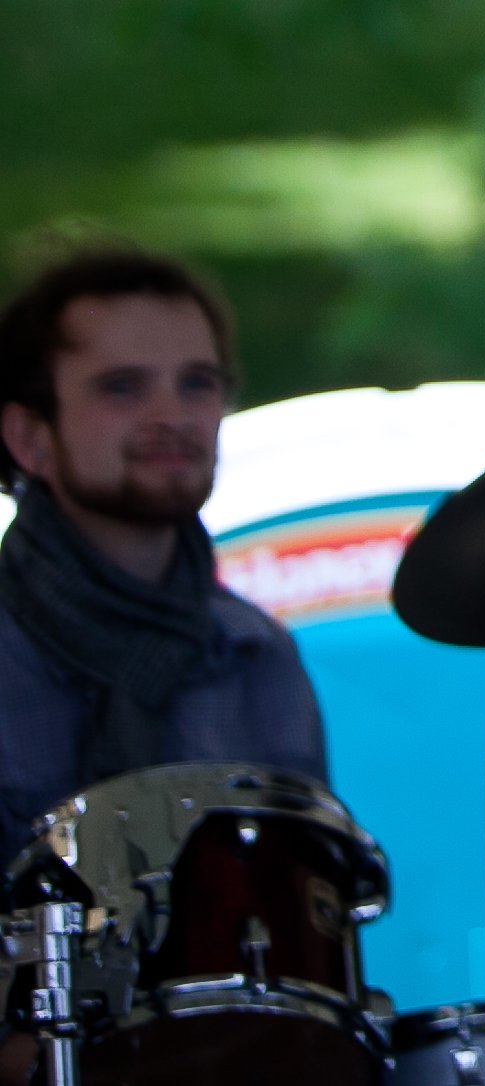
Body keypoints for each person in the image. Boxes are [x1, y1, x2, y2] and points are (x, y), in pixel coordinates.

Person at [0, 248, 324, 832]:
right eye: (122, 387)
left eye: (197, 383)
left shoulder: (257, 657)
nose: (172, 416)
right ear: (29, 437)